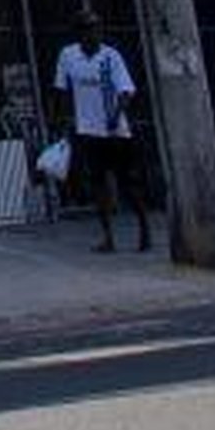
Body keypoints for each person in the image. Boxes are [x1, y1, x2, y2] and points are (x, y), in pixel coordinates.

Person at [53, 13, 151, 252]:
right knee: (98, 184)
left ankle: (144, 230)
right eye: (88, 29)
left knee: (127, 182)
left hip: (115, 132)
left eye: (96, 28)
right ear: (79, 33)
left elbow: (126, 91)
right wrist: (66, 121)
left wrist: (116, 115)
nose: (94, 34)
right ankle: (108, 237)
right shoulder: (68, 56)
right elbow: (63, 89)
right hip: (88, 129)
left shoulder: (111, 56)